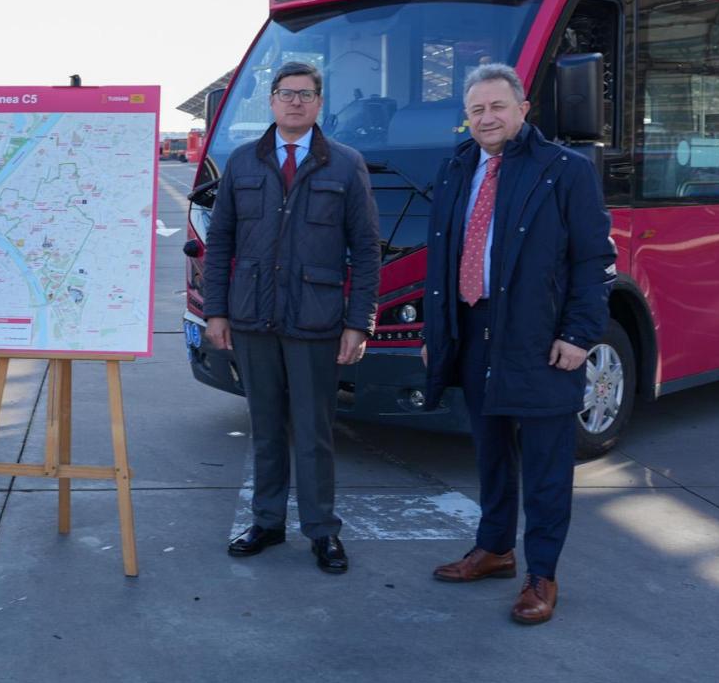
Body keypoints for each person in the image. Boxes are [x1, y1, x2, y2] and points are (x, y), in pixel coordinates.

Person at [420, 62, 613, 625]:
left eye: (497, 106)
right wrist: (439, 334)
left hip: (540, 339)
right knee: (491, 453)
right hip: (473, 330)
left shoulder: (564, 170)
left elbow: (594, 259)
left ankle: (542, 575)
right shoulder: (457, 169)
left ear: (523, 109)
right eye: (476, 109)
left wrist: (579, 334)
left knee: (548, 465)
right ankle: (495, 549)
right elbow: (442, 258)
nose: (487, 117)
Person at [202, 61, 380, 574]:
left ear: (320, 103)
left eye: (306, 94)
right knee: (266, 427)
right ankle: (268, 521)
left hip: (315, 320)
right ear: (272, 102)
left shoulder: (345, 165)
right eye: (286, 94)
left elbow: (366, 251)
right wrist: (217, 310)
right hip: (253, 318)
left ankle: (322, 531)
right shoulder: (242, 163)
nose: (296, 102)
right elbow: (221, 244)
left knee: (315, 430)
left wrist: (357, 321)